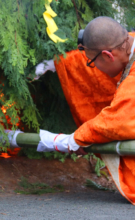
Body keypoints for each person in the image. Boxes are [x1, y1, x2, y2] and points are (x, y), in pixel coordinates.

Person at [36, 16, 135, 204]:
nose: (93, 68)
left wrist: (73, 140)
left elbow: (119, 121)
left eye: (92, 62)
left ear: (108, 55)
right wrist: (56, 64)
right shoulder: (128, 42)